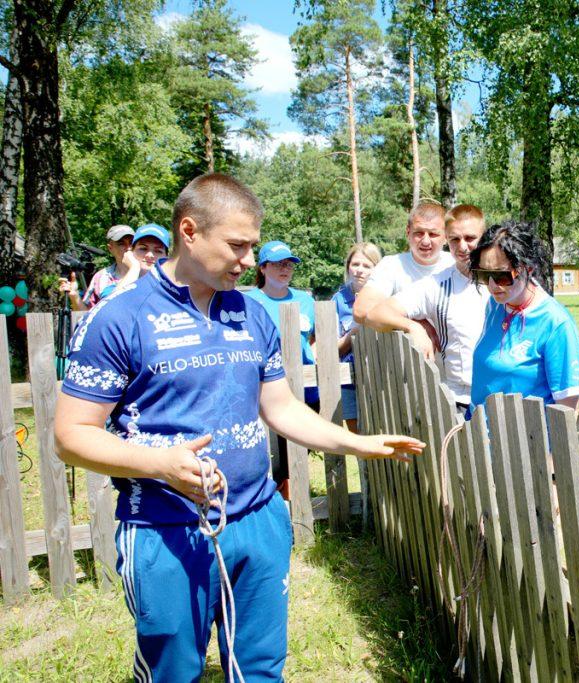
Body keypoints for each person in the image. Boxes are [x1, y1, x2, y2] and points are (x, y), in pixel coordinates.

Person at [54, 172, 423, 682]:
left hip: (258, 520)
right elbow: (70, 436)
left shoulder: (250, 313)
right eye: (237, 245)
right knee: (171, 672)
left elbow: (281, 407)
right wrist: (159, 464)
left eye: (252, 246)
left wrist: (356, 443)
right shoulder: (118, 319)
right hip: (165, 529)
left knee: (260, 668)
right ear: (189, 231)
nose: (249, 260)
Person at [362, 204, 488, 412]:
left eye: (470, 238)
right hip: (460, 400)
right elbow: (374, 314)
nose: (462, 246)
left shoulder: (505, 279)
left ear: (483, 237)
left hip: (505, 396)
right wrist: (413, 326)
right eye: (455, 239)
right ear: (447, 239)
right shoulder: (436, 284)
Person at [468, 220, 579, 413]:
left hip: (524, 432)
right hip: (478, 427)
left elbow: (567, 408)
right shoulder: (496, 305)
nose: (492, 285)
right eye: (484, 275)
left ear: (528, 268)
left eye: (502, 275)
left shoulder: (556, 323)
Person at [244, 240, 319, 498]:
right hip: (265, 388)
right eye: (277, 264)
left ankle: (292, 494)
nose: (284, 269)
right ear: (263, 268)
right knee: (273, 451)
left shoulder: (305, 300)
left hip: (305, 387)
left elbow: (315, 337)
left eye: (288, 264)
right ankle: (278, 494)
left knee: (299, 446)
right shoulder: (249, 301)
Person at [352, 202, 455, 324]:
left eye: (433, 234)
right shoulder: (391, 266)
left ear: (446, 236)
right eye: (419, 233)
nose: (425, 241)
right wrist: (414, 324)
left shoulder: (457, 266)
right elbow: (361, 310)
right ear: (408, 232)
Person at [333, 242, 382, 432]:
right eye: (355, 264)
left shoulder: (386, 297)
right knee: (357, 436)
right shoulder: (338, 300)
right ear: (348, 267)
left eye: (367, 265)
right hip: (349, 379)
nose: (360, 270)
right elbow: (331, 349)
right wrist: (353, 333)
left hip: (381, 377)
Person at [58, 224, 134, 310]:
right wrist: (74, 296)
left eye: (131, 243)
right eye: (121, 244)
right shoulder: (101, 277)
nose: (128, 248)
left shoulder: (145, 273)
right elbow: (87, 314)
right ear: (110, 248)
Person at [116, 223, 171, 292]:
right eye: (143, 249)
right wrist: (134, 268)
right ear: (131, 251)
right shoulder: (114, 286)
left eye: (158, 251)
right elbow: (116, 298)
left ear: (166, 256)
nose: (150, 255)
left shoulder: (173, 290)